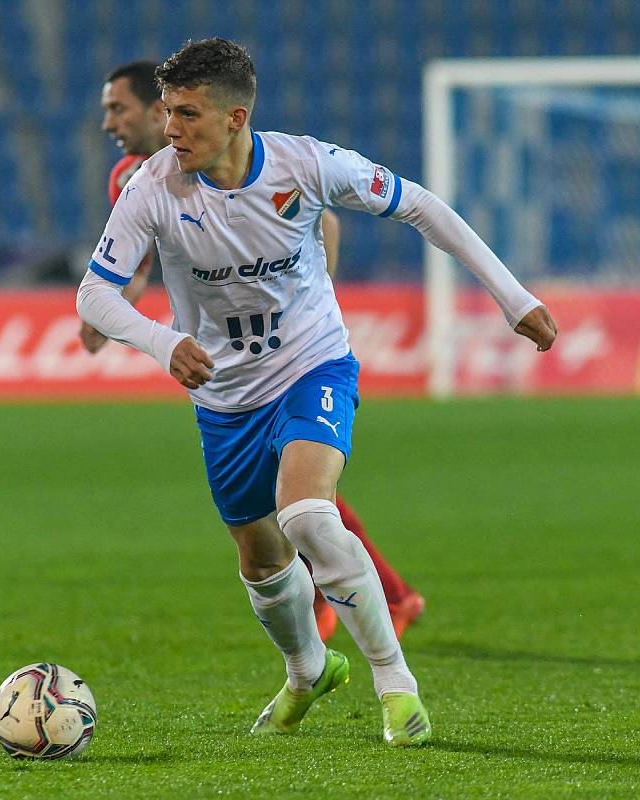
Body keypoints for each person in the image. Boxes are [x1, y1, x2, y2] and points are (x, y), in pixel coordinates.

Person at [77, 38, 557, 747]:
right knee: (260, 560)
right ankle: (307, 669)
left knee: (307, 511)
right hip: (223, 395)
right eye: (168, 114)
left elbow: (420, 205)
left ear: (235, 117)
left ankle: (395, 687)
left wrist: (512, 298)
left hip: (311, 365)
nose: (171, 129)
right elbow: (95, 294)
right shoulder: (152, 187)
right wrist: (163, 340)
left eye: (186, 114)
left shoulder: (307, 163)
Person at [82, 58, 426, 644]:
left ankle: (378, 604)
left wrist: (310, 317)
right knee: (292, 501)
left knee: (303, 496)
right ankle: (375, 599)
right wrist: (125, 315)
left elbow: (321, 225)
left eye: (120, 108)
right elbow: (131, 269)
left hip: (286, 351)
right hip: (221, 356)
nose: (110, 122)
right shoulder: (135, 182)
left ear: (153, 108)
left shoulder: (242, 160)